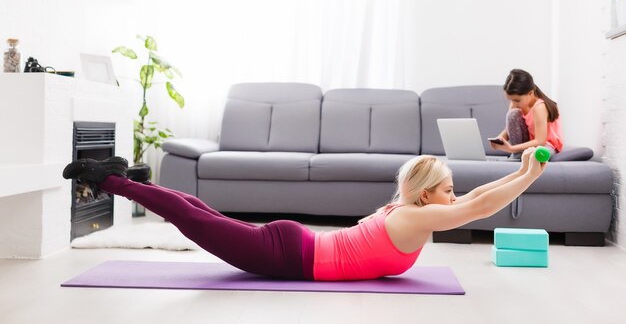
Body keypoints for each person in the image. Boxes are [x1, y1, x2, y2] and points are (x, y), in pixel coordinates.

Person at [62, 149, 546, 281]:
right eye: (448, 190)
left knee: (204, 214)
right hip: (290, 255)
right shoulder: (415, 218)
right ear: (425, 196)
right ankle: (107, 179)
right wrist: (529, 177)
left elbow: (477, 195)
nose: (455, 196)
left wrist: (522, 169)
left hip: (295, 246)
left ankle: (130, 179)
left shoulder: (411, 209)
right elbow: (480, 206)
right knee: (198, 222)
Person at [490, 69, 563, 158]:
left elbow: (540, 141)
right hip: (529, 142)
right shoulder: (516, 104)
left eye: (517, 100)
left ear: (530, 93)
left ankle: (521, 155)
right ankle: (519, 155)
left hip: (546, 145)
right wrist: (499, 139)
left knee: (539, 152)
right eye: (511, 100)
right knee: (512, 114)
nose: (513, 103)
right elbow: (509, 129)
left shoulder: (539, 107)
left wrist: (512, 149)